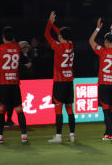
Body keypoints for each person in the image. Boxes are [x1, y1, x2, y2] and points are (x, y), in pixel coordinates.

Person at [0, 26, 29, 144]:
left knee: (1, 110)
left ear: (3, 37)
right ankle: (24, 136)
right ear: (13, 37)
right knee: (19, 110)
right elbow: (23, 61)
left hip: (3, 85)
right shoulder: (17, 48)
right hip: (15, 84)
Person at [45, 11, 76, 143]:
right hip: (69, 82)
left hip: (59, 82)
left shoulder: (57, 47)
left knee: (58, 109)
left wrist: (50, 23)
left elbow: (47, 35)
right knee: (69, 109)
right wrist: (55, 26)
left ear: (61, 36)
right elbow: (62, 33)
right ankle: (72, 135)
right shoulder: (71, 45)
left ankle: (58, 136)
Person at [89, 18, 112, 141]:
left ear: (106, 42)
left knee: (106, 111)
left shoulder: (102, 51)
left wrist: (98, 28)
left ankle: (110, 134)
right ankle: (108, 133)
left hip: (104, 84)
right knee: (111, 110)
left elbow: (91, 41)